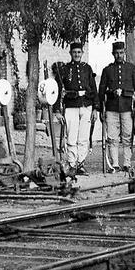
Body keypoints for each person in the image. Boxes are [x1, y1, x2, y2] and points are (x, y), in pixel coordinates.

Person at [98, 41, 135, 174]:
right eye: (116, 53)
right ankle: (115, 164)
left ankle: (127, 163)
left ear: (125, 53)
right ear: (113, 54)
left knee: (128, 136)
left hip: (128, 108)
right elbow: (101, 91)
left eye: (121, 52)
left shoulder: (132, 69)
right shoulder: (107, 70)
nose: (119, 55)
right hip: (111, 108)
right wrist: (101, 109)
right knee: (112, 137)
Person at [56, 43, 97, 177]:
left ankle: (81, 164)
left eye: (79, 52)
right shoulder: (65, 69)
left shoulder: (87, 68)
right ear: (70, 53)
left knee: (84, 137)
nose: (77, 55)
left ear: (82, 53)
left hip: (86, 105)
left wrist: (95, 108)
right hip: (71, 105)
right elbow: (57, 89)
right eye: (74, 52)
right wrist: (57, 110)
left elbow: (94, 89)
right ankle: (72, 164)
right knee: (71, 137)